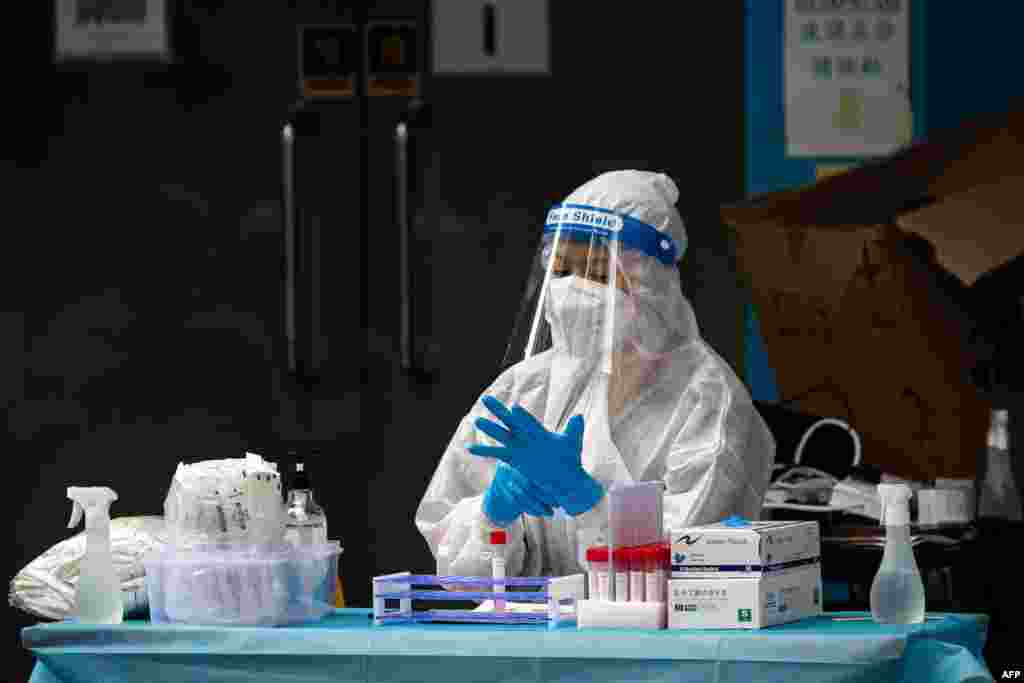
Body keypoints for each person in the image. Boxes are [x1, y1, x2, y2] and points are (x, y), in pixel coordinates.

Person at [415, 170, 776, 578]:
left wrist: (587, 501)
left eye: (597, 273)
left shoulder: (707, 402)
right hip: (534, 637)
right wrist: (491, 516)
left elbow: (694, 573)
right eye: (562, 270)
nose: (572, 288)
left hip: (655, 641)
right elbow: (458, 574)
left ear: (650, 284)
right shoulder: (525, 389)